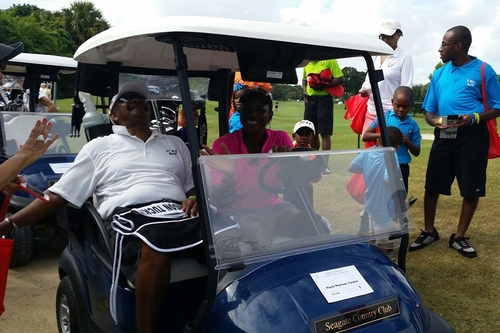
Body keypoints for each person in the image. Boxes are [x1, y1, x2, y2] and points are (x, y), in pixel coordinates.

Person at [0, 81, 199, 333]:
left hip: (176, 212)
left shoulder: (175, 144)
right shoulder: (99, 147)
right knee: (155, 241)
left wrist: (193, 198)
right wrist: (7, 225)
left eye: (140, 99)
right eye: (127, 99)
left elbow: (191, 187)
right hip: (130, 219)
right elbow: (59, 195)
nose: (136, 100)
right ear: (113, 115)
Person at [409, 26, 500, 258]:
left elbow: (498, 106)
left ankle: (459, 236)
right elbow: (429, 110)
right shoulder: (440, 73)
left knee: (471, 187)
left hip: (473, 134)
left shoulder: (483, 70)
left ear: (458, 46)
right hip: (445, 133)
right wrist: (435, 122)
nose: (440, 49)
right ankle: (429, 231)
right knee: (432, 184)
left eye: (444, 44)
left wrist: (475, 118)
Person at [202, 89, 328, 243]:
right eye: (248, 109)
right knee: (258, 229)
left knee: (312, 224)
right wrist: (230, 172)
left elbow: (289, 182)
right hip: (236, 210)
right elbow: (220, 199)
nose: (253, 114)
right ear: (240, 113)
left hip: (272, 206)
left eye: (260, 110)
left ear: (269, 116)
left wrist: (288, 164)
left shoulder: (279, 138)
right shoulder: (223, 144)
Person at [349, 126, 403, 255]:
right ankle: (383, 262)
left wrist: (369, 170)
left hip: (371, 202)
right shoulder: (391, 156)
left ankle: (371, 257)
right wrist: (399, 197)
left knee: (372, 234)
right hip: (385, 206)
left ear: (378, 140)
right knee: (384, 240)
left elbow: (352, 167)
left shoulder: (368, 152)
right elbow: (388, 180)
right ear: (397, 147)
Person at [359, 19, 414, 142]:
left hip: (391, 113)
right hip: (372, 109)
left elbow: (406, 87)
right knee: (369, 148)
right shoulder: (374, 55)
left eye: (389, 36)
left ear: (398, 35)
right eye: (382, 37)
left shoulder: (404, 57)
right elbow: (369, 79)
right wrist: (364, 89)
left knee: (389, 147)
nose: (385, 40)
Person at [362, 86, 421, 192]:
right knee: (379, 194)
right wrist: (383, 135)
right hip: (382, 164)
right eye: (398, 105)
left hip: (401, 166)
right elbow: (365, 136)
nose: (401, 109)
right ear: (392, 102)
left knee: (399, 198)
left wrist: (407, 141)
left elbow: (417, 152)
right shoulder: (385, 117)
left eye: (405, 107)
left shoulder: (413, 125)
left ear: (411, 105)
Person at [302, 59, 344, 174]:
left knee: (325, 133)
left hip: (324, 99)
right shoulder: (307, 63)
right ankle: (314, 162)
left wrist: (324, 85)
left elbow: (340, 78)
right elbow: (304, 80)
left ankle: (324, 165)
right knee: (311, 132)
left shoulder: (329, 60)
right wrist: (304, 92)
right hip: (310, 100)